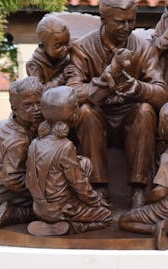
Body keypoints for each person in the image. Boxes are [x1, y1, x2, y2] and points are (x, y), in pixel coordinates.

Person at [65, 0, 168, 208]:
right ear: (103, 18)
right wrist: (103, 82)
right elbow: (71, 92)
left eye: (131, 21)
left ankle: (139, 190)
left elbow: (161, 91)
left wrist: (139, 88)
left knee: (145, 111)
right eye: (120, 22)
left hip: (130, 118)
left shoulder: (144, 48)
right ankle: (99, 189)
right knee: (84, 112)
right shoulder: (82, 49)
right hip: (98, 117)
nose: (127, 27)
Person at [24, 86, 113, 236]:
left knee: (83, 162)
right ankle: (69, 227)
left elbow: (29, 178)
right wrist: (95, 201)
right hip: (62, 209)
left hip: (39, 208)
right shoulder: (66, 146)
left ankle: (48, 222)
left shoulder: (35, 143)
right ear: (74, 115)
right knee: (106, 217)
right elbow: (79, 184)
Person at [118, 101, 168, 248]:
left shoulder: (167, 157)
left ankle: (155, 229)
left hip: (167, 209)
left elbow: (161, 191)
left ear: (161, 130)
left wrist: (148, 202)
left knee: (124, 220)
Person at [0, 77, 43, 228]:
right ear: (14, 108)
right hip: (13, 192)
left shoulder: (3, 124)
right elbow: (12, 178)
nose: (36, 109)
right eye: (28, 105)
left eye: (39, 103)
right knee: (56, 209)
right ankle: (14, 213)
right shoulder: (19, 141)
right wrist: (43, 185)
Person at [25, 14, 72, 88]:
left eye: (67, 43)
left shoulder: (69, 58)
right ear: (42, 46)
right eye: (58, 46)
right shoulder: (33, 65)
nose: (65, 48)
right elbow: (39, 91)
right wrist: (62, 78)